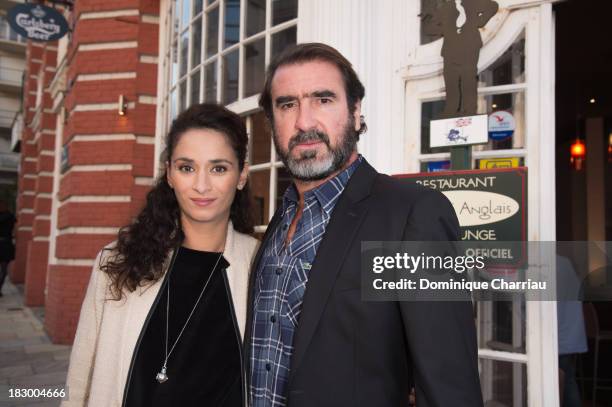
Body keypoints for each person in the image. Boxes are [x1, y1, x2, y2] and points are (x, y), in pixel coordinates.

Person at [245, 43, 483, 407]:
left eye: (323, 100)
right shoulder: (280, 220)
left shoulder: (413, 215)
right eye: (287, 104)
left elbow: (450, 388)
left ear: (356, 112)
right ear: (272, 121)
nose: (304, 122)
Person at [63, 104, 259, 407]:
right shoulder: (117, 263)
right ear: (169, 173)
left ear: (241, 175)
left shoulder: (261, 264)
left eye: (218, 168)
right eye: (187, 167)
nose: (201, 185)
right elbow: (79, 381)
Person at [0, 200, 16, 297]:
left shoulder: (9, 216)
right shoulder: (10, 216)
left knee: (4, 269)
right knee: (4, 269)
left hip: (5, 244)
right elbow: (14, 228)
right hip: (6, 244)